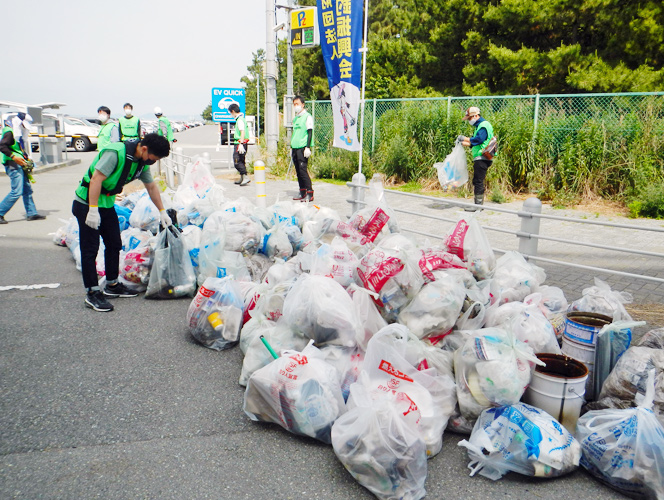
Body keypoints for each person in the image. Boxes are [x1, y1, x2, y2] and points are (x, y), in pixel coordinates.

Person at [72, 133, 172, 312]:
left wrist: (162, 211)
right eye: (152, 158)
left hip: (107, 205)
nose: (152, 162)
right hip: (87, 203)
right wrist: (92, 210)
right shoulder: (115, 153)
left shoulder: (141, 163)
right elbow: (96, 179)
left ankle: (112, 285)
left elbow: (151, 187)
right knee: (90, 249)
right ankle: (92, 293)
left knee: (114, 243)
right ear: (144, 148)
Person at [0, 120, 45, 224]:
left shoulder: (16, 133)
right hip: (13, 165)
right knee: (16, 191)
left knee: (27, 189)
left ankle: (31, 213)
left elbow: (18, 148)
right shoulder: (10, 132)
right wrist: (13, 157)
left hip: (18, 164)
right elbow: (2, 146)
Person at [458, 106, 494, 209]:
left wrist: (465, 138)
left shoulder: (483, 125)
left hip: (482, 157)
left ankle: (478, 206)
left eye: (469, 118)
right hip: (482, 157)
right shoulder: (480, 126)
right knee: (477, 180)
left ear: (476, 116)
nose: (469, 120)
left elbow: (479, 139)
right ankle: (478, 204)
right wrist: (462, 143)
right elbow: (476, 143)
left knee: (478, 181)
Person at [291, 96, 314, 202]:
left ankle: (310, 192)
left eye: (297, 104)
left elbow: (310, 132)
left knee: (303, 170)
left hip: (302, 147)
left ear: (303, 104)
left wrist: (308, 147)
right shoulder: (296, 119)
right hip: (295, 148)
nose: (296, 106)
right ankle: (302, 191)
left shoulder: (307, 117)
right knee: (298, 171)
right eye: (294, 104)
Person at [228, 103, 250, 186]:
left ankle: (245, 176)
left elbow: (242, 131)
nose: (230, 114)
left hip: (240, 143)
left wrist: (240, 143)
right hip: (242, 143)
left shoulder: (240, 120)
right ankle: (242, 178)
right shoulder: (240, 119)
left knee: (237, 161)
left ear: (233, 111)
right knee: (241, 160)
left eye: (230, 113)